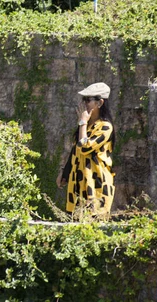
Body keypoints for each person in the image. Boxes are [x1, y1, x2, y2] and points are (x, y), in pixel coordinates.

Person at [56, 82, 115, 216]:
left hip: (96, 185)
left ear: (99, 103)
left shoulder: (105, 127)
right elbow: (75, 151)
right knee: (72, 225)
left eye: (88, 100)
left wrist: (82, 122)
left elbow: (84, 147)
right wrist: (64, 173)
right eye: (84, 100)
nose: (84, 104)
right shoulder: (86, 126)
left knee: (92, 226)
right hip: (78, 183)